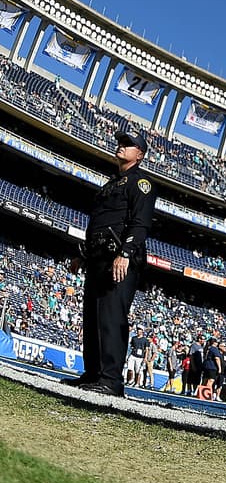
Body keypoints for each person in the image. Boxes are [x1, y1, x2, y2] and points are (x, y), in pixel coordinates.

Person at [69, 129, 156, 397]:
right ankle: (93, 373)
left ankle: (111, 380)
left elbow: (140, 223)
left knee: (111, 318)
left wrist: (126, 253)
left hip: (119, 260)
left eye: (129, 145)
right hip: (97, 258)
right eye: (121, 142)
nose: (122, 146)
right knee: (93, 317)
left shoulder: (141, 184)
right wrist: (83, 255)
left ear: (139, 155)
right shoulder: (109, 184)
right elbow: (98, 223)